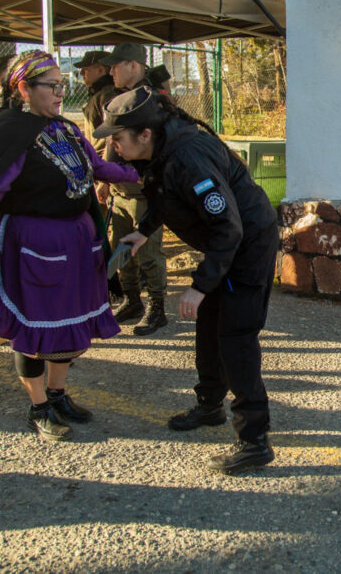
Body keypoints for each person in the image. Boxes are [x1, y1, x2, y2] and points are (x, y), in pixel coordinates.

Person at [0, 50, 140, 441]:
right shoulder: (12, 133)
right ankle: (39, 407)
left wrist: (148, 168)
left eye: (62, 86)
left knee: (69, 325)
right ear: (23, 88)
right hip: (34, 246)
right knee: (34, 328)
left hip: (75, 243)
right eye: (52, 87)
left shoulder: (66, 130)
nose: (60, 93)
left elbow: (98, 168)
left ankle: (58, 394)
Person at [94, 87, 279, 475]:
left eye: (117, 137)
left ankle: (254, 441)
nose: (112, 145)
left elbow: (229, 229)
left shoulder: (189, 156)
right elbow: (163, 196)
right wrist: (143, 230)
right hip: (223, 244)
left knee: (236, 337)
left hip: (245, 245)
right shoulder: (161, 149)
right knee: (209, 329)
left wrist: (200, 285)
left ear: (145, 133)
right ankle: (210, 405)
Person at [95, 43, 169, 335]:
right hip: (120, 190)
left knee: (148, 251)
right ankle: (132, 299)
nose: (110, 70)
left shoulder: (154, 99)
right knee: (120, 248)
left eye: (117, 65)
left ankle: (157, 308)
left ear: (135, 66)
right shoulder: (120, 98)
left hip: (142, 191)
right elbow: (111, 144)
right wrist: (104, 181)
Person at [74, 49, 114, 156]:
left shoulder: (107, 95)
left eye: (85, 69)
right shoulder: (98, 94)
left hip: (103, 160)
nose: (81, 73)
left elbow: (112, 137)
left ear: (101, 70)